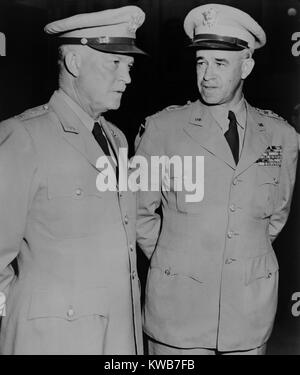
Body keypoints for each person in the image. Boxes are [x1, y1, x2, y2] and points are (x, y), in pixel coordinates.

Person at [136, 4, 298, 355]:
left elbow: (275, 216)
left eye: (220, 63)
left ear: (247, 66)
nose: (207, 74)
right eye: (201, 62)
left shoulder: (281, 136)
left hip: (248, 315)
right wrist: (177, 261)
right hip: (178, 318)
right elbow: (139, 214)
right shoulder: (163, 130)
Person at [0, 6, 146, 355]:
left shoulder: (117, 138)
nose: (126, 78)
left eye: (129, 67)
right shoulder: (23, 136)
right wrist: (19, 322)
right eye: (114, 63)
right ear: (74, 63)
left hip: (116, 336)